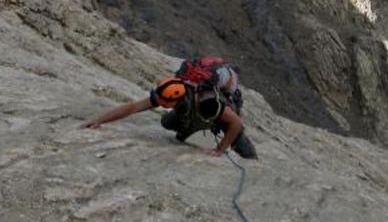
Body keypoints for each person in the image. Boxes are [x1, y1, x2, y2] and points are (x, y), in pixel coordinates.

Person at [81, 58, 257, 159]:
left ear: (180, 99)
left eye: (169, 105)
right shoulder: (172, 89)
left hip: (215, 110)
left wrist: (220, 149)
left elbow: (236, 123)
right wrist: (99, 120)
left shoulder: (208, 102)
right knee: (167, 121)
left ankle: (251, 158)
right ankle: (188, 128)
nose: (162, 106)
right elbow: (134, 107)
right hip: (193, 107)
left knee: (238, 140)